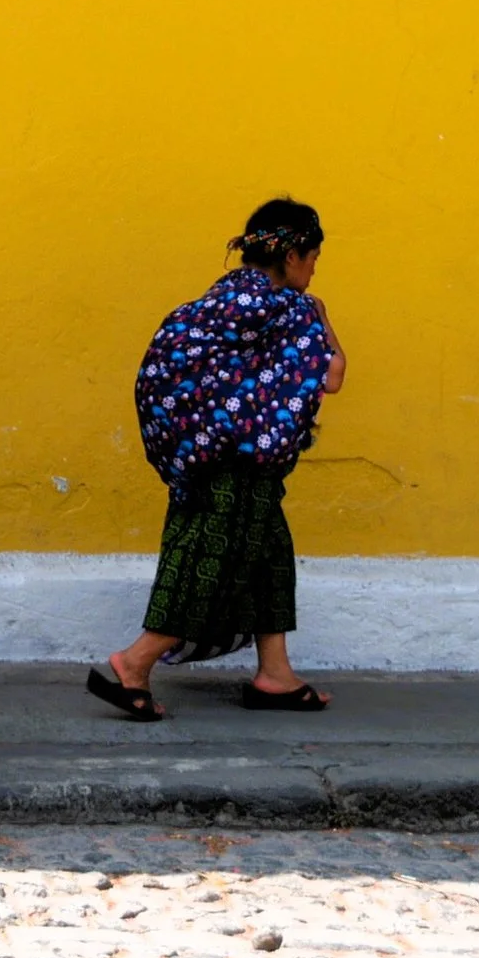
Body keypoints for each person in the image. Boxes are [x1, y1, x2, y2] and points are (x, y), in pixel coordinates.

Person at [91, 197, 348, 722]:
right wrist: (323, 320)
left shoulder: (210, 304)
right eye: (315, 256)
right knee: (210, 563)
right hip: (242, 462)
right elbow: (331, 375)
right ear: (294, 255)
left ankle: (275, 674)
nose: (315, 267)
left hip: (200, 455)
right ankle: (134, 662)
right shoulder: (290, 310)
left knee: (269, 558)